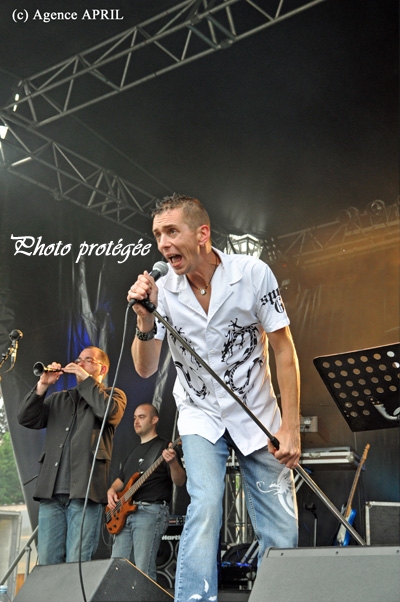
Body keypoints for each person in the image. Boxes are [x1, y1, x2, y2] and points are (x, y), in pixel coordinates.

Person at [127, 193, 301, 602]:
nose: (163, 243)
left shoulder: (252, 274)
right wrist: (145, 319)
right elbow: (146, 368)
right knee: (204, 504)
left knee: (279, 520)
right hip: (199, 411)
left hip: (256, 410)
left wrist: (291, 426)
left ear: (202, 234)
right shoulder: (161, 291)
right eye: (157, 234)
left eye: (172, 231)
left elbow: (284, 350)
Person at [17, 346, 127, 565]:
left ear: (102, 369)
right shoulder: (58, 399)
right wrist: (43, 385)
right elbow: (26, 418)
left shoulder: (113, 395)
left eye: (88, 360)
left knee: (77, 562)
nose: (80, 363)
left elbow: (110, 413)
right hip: (51, 493)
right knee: (47, 563)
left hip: (85, 493)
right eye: (78, 360)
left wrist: (86, 380)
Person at [107, 403, 186, 582]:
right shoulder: (134, 450)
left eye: (141, 417)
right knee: (117, 571)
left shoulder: (165, 447)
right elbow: (121, 480)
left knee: (143, 571)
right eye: (134, 417)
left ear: (154, 419)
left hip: (149, 512)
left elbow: (180, 480)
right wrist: (111, 490)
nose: (136, 421)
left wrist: (173, 462)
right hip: (124, 515)